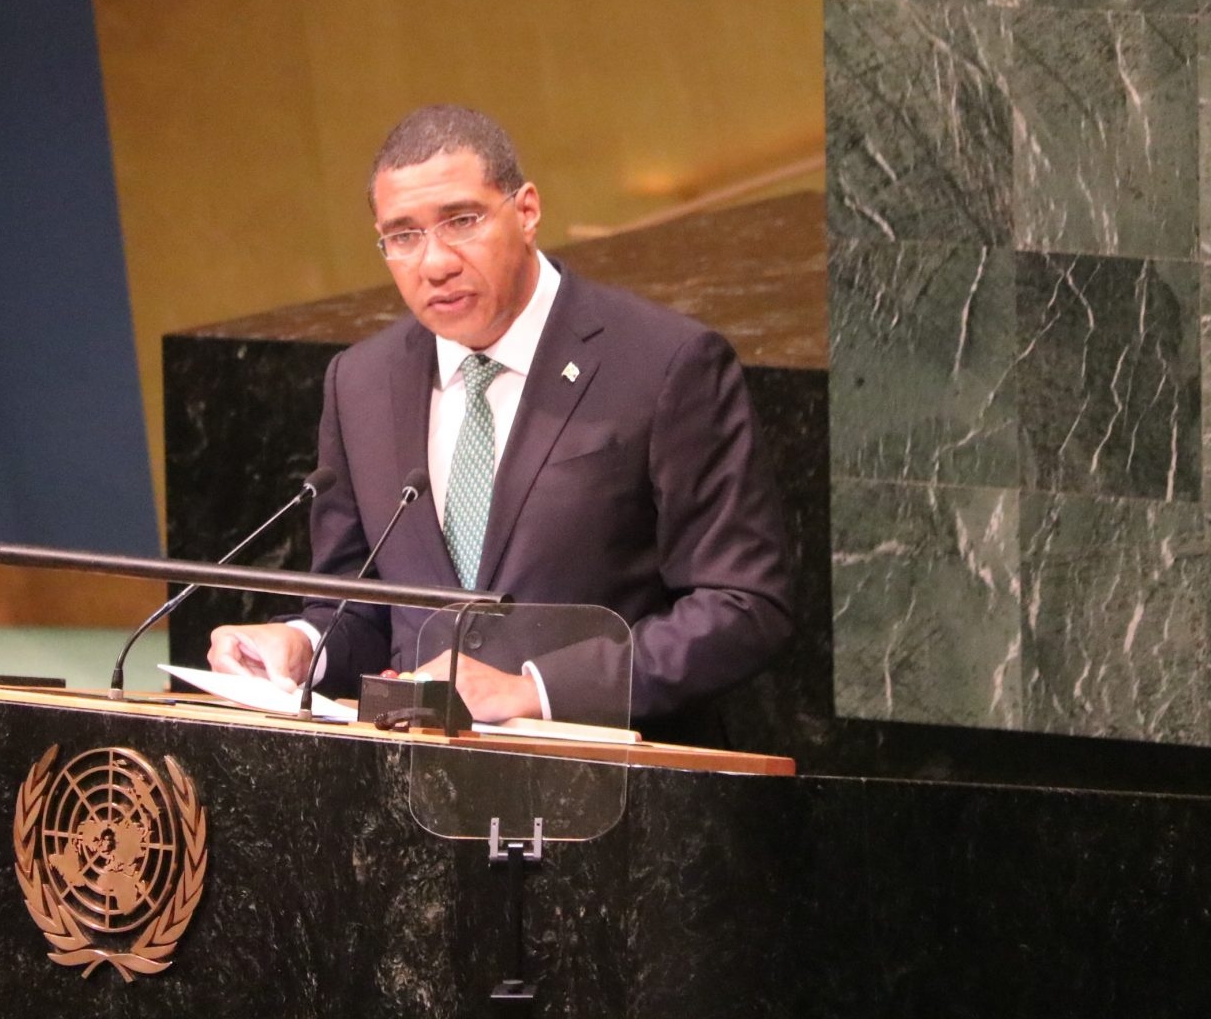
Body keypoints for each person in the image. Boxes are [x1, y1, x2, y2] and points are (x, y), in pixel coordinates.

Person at [207, 104, 792, 731]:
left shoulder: (663, 363)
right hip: (409, 795)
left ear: (528, 211)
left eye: (462, 220)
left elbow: (744, 604)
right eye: (403, 236)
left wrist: (536, 690)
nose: (435, 262)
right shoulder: (361, 383)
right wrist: (302, 644)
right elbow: (366, 606)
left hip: (607, 788)